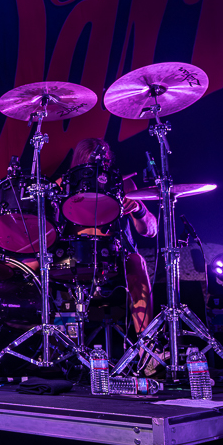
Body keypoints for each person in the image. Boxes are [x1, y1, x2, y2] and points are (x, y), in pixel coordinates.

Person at [65, 137, 158, 335]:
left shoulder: (124, 185)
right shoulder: (64, 185)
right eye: (91, 162)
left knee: (136, 261)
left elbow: (150, 231)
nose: (99, 167)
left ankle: (146, 346)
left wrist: (139, 208)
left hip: (117, 259)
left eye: (103, 161)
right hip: (76, 257)